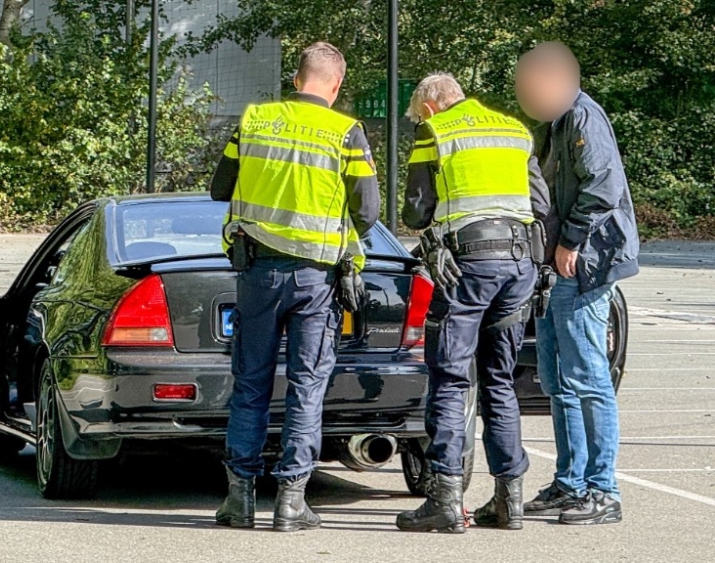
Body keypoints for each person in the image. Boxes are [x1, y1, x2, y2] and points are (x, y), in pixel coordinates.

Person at [209, 41, 380, 532]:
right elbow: (366, 213)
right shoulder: (345, 132)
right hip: (315, 279)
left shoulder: (256, 121)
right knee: (306, 385)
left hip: (258, 273)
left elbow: (221, 188)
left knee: (251, 383)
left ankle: (239, 500)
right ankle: (291, 502)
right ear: (336, 84)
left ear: (296, 77)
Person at [396, 73, 550, 534]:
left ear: (429, 107)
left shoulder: (436, 132)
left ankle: (444, 498)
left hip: (467, 267)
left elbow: (415, 211)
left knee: (449, 378)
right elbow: (540, 202)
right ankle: (509, 501)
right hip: (519, 264)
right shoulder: (514, 130)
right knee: (499, 380)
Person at [515, 42, 639, 526]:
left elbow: (603, 188)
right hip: (559, 266)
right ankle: (571, 482)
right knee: (557, 379)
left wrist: (568, 241)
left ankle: (603, 489)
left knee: (587, 377)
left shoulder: (585, 119)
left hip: (587, 263)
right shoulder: (557, 124)